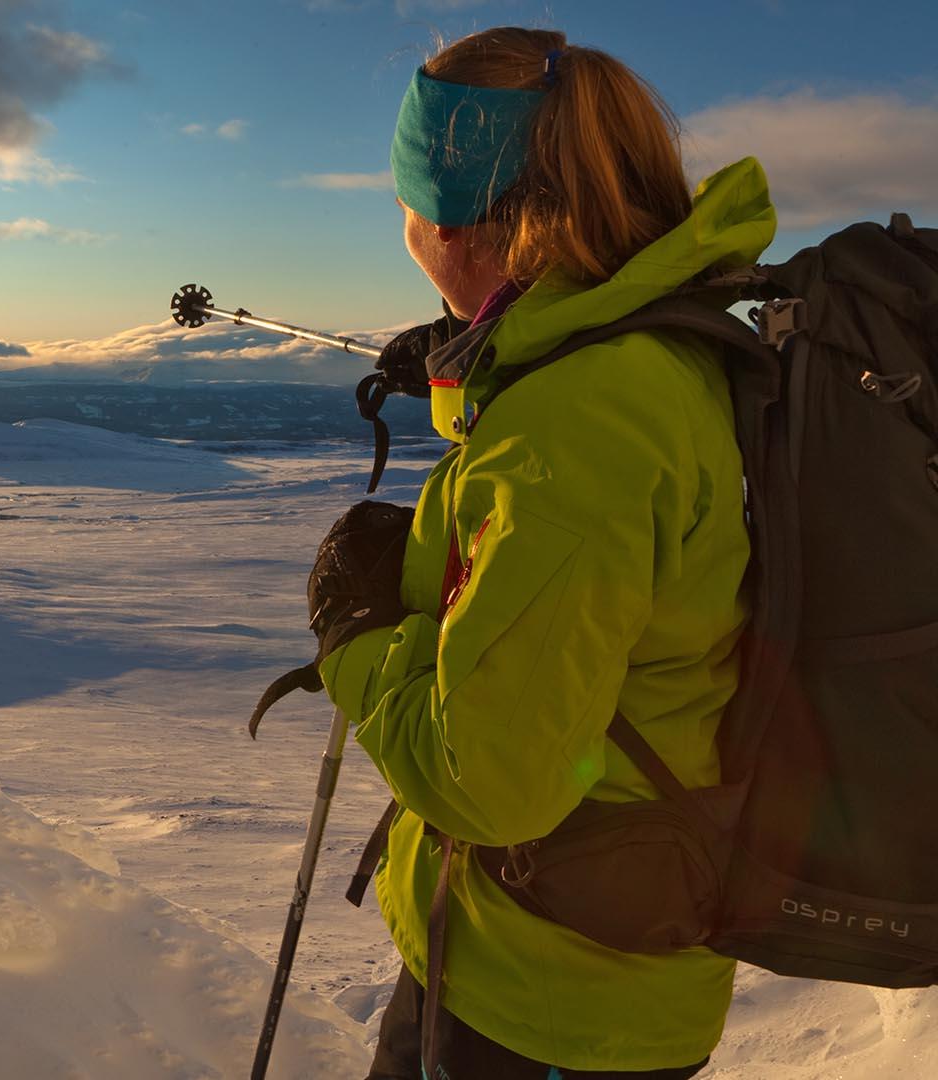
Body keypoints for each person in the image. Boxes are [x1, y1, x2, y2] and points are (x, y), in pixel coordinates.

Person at [304, 26, 776, 1078]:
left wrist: (356, 637)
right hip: (555, 960)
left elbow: (494, 783)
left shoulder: (580, 421)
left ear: (460, 224)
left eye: (407, 204)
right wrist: (471, 360)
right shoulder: (647, 347)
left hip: (543, 1009)